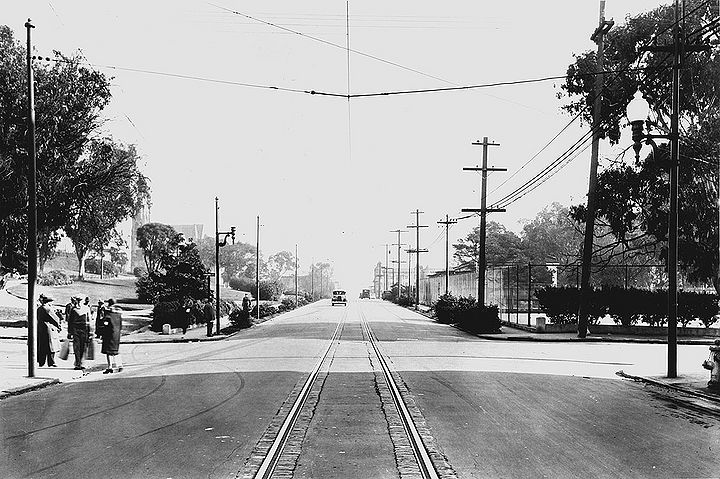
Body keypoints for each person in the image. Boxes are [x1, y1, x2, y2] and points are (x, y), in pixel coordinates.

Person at [36, 294, 61, 367]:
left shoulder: (39, 308)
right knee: (51, 346)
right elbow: (55, 319)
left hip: (41, 328)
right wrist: (58, 326)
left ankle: (41, 362)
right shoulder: (48, 309)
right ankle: (51, 362)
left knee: (42, 345)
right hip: (49, 328)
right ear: (49, 302)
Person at [100, 298, 123, 374]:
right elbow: (121, 325)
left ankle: (110, 367)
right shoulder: (119, 314)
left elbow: (105, 324)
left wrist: (101, 332)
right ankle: (120, 365)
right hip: (117, 334)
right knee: (116, 350)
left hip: (109, 334)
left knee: (108, 351)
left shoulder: (108, 313)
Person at [67, 296, 89, 370]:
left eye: (81, 300)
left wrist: (91, 332)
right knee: (76, 347)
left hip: (84, 329)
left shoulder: (86, 308)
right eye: (78, 300)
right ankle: (77, 363)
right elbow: (70, 321)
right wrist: (69, 332)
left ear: (83, 301)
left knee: (83, 346)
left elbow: (89, 320)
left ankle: (82, 362)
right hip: (75, 329)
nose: (79, 302)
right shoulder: (73, 309)